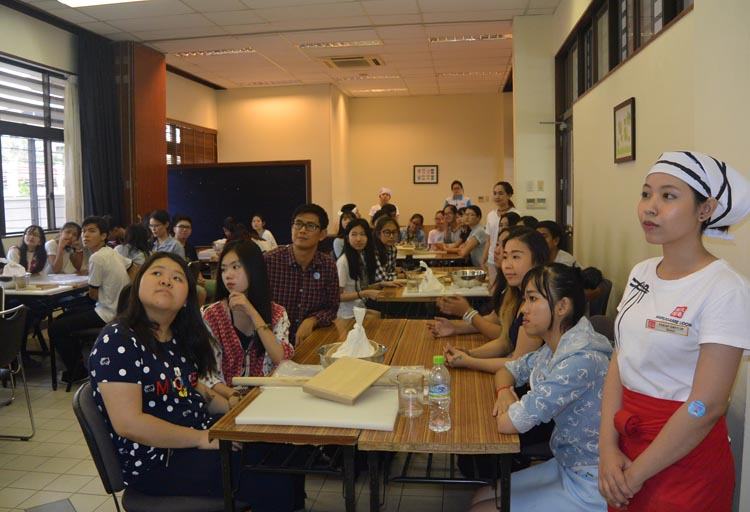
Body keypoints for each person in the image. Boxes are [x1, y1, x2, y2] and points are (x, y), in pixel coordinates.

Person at [88, 252, 299, 511]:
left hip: (194, 438)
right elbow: (129, 424)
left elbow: (193, 389)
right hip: (158, 460)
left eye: (177, 278)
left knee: (279, 449)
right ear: (138, 284)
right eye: (157, 273)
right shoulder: (118, 340)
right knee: (269, 476)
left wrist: (234, 407)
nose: (166, 281)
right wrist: (202, 438)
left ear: (187, 299)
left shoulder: (176, 337)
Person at [598, 152, 750, 511]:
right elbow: (621, 358)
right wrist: (607, 449)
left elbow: (706, 405)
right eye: (646, 194)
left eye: (668, 196)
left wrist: (634, 477)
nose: (650, 207)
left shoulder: (725, 288)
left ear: (705, 209)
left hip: (685, 460)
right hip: (626, 447)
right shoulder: (641, 273)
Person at [470, 263, 611, 511]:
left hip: (592, 478)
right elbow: (508, 370)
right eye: (525, 299)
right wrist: (504, 393)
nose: (523, 308)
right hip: (566, 463)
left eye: (533, 299)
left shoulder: (579, 360)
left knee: (481, 509)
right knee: (481, 495)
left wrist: (509, 405)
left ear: (562, 306)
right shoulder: (554, 348)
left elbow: (507, 424)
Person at [438, 227, 549, 374]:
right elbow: (506, 342)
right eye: (505, 257)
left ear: (537, 261)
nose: (507, 265)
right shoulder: (516, 294)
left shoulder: (540, 303)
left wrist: (469, 361)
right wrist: (469, 353)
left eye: (516, 257)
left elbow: (518, 364)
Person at [202, 240, 293, 403]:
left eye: (236, 267)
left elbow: (281, 360)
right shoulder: (211, 315)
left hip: (267, 397)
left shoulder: (278, 313)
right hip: (226, 400)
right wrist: (231, 395)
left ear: (254, 269)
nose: (228, 275)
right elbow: (207, 373)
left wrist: (252, 312)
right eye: (223, 269)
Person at [51, 216, 131, 383]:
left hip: (106, 313)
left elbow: (93, 295)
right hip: (119, 309)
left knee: (57, 327)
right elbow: (133, 267)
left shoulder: (97, 257)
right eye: (84, 231)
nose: (85, 235)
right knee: (66, 316)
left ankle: (78, 371)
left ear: (104, 236)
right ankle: (78, 364)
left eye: (92, 231)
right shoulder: (112, 252)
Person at [264, 204, 339, 344]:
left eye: (311, 226)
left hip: (310, 341)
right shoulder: (269, 261)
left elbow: (332, 308)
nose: (302, 230)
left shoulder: (328, 266)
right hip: (273, 344)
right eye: (298, 224)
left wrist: (313, 319)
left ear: (322, 234)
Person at [336, 219, 383, 318]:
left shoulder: (360, 257)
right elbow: (337, 296)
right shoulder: (343, 262)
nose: (358, 239)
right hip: (346, 314)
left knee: (381, 315)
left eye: (363, 234)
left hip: (359, 308)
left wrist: (381, 284)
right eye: (354, 234)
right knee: (381, 317)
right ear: (347, 238)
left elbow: (359, 287)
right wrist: (365, 293)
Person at [484, 182, 519, 284]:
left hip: (508, 257)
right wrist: (484, 257)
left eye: (500, 193)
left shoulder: (516, 214)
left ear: (509, 195)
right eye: (495, 193)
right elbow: (489, 240)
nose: (497, 196)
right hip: (492, 258)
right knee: (494, 286)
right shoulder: (491, 215)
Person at [373, 215, 400, 283]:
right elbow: (382, 278)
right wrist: (399, 276)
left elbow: (391, 271)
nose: (391, 236)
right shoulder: (374, 250)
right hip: (373, 287)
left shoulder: (393, 249)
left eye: (394, 232)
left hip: (388, 285)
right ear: (378, 234)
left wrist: (395, 275)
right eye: (387, 232)